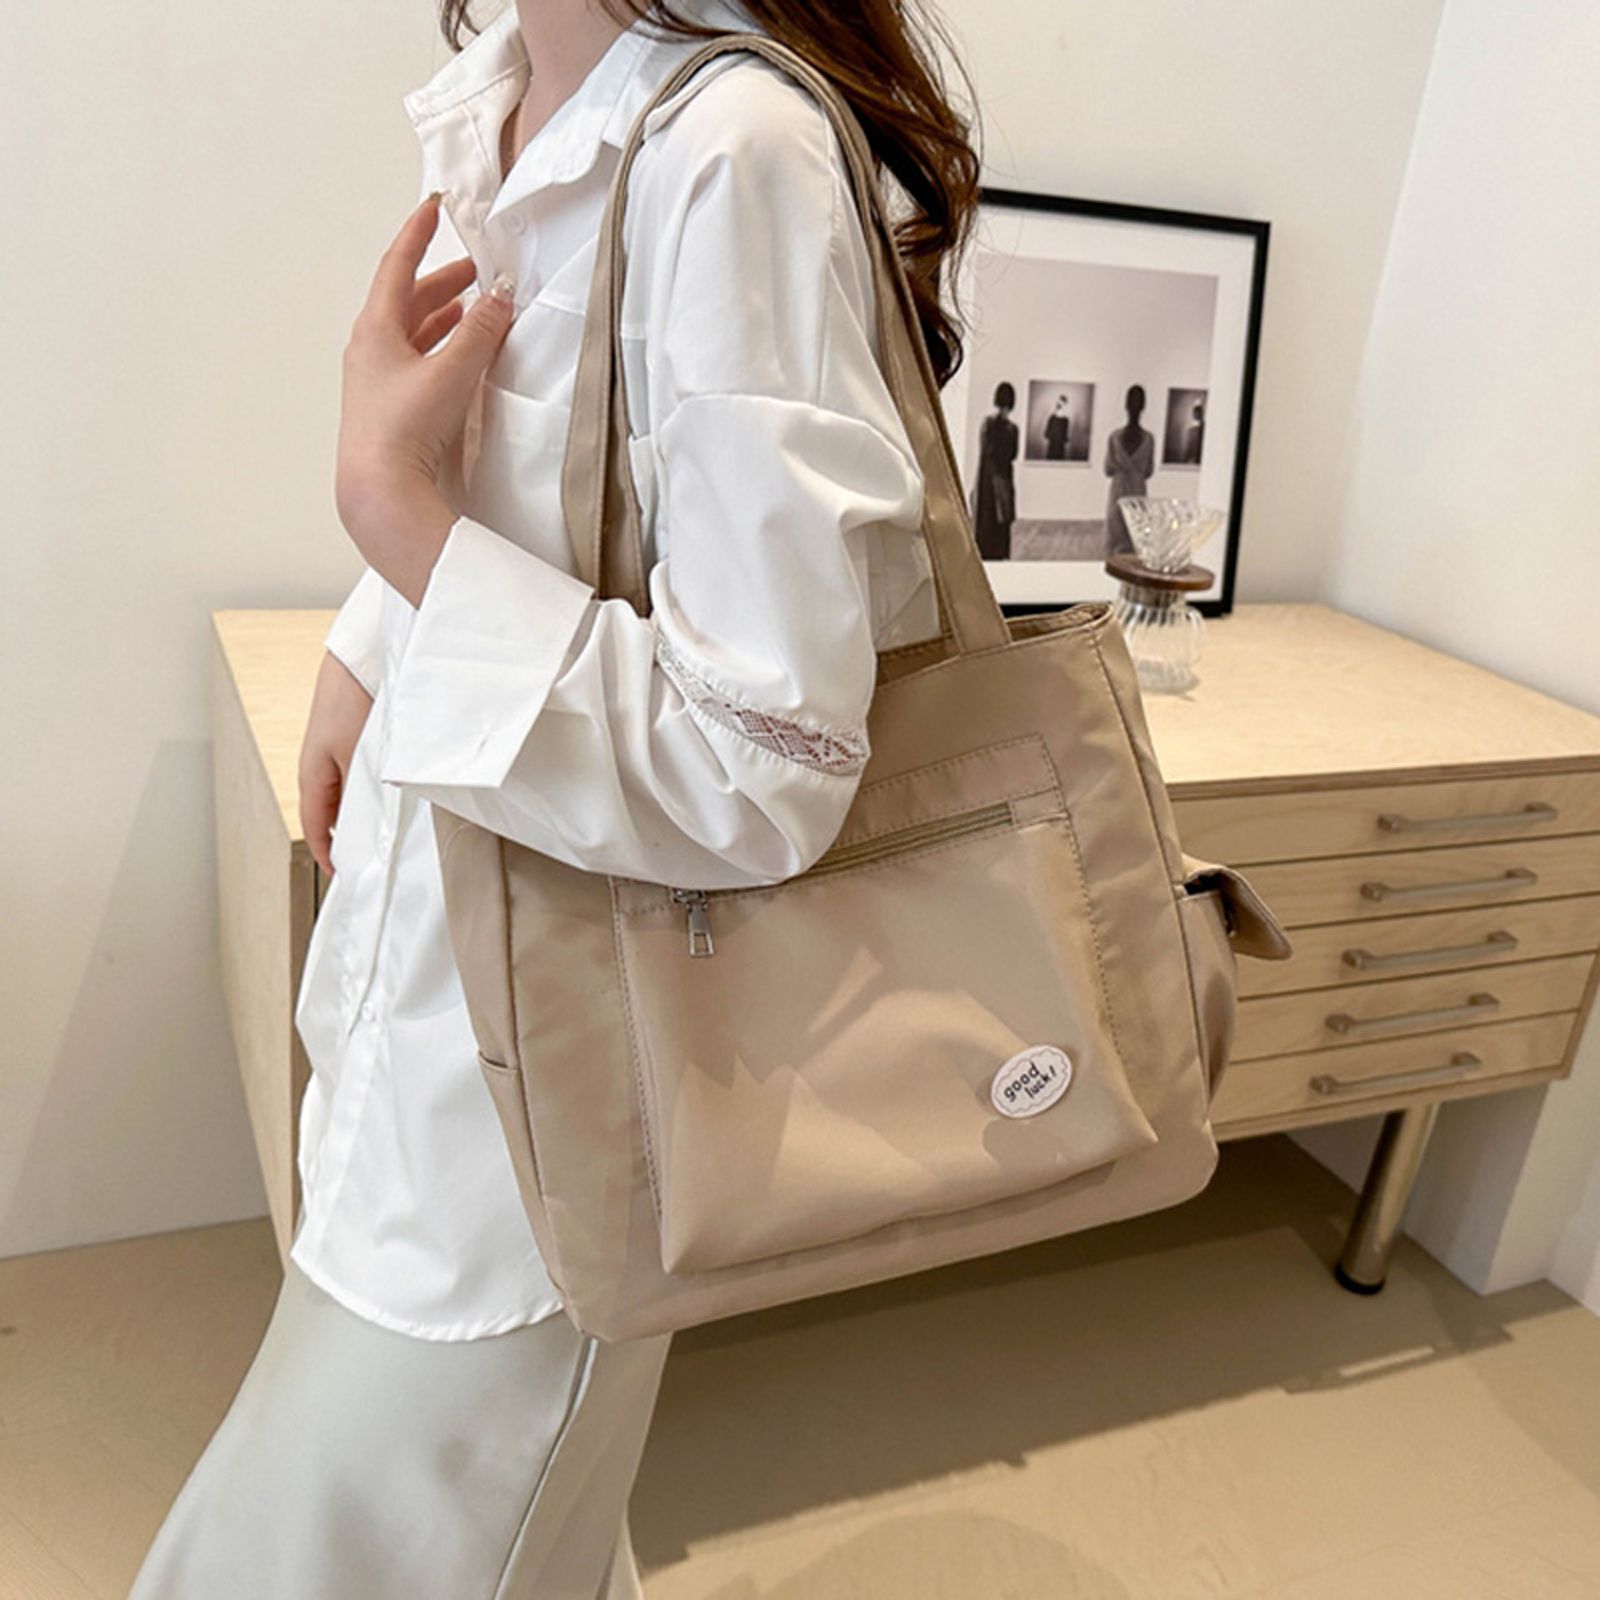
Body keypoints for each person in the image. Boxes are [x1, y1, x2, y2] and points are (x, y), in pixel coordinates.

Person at [127, 0, 976, 1596]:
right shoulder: (510, 98)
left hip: (535, 1107)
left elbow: (762, 760)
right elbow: (554, 508)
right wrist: (373, 635)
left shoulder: (732, 147)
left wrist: (391, 519)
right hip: (413, 1030)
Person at [1103, 381, 1155, 557]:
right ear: (1143, 407)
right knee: (1135, 539)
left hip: (1118, 490)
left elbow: (1107, 469)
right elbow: (1149, 471)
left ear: (1125, 405)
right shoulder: (1148, 439)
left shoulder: (1114, 437)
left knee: (1114, 541)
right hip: (1137, 490)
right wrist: (1136, 471)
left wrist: (1122, 468)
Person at [973, 380, 1018, 559]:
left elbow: (989, 451)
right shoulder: (1011, 429)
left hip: (991, 479)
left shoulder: (989, 425)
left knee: (991, 520)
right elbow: (1012, 454)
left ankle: (988, 553)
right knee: (998, 520)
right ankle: (997, 553)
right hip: (999, 479)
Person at [1043, 392, 1071, 459]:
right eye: (1058, 402)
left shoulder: (1065, 420)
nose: (1059, 404)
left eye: (1061, 403)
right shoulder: (1052, 418)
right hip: (1052, 444)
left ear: (1064, 404)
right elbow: (1047, 432)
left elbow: (1065, 435)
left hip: (1060, 446)